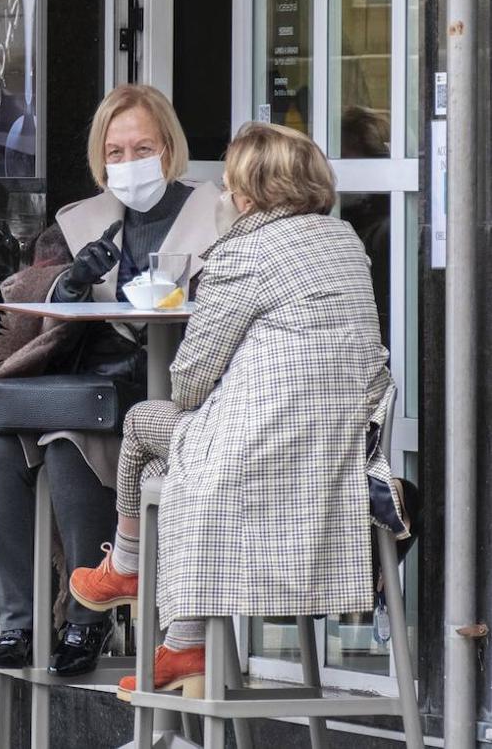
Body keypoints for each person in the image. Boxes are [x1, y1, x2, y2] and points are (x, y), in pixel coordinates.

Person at [68, 122, 396, 699]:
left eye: (229, 185)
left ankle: (125, 567)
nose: (224, 195)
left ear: (248, 192)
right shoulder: (346, 243)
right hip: (333, 460)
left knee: (146, 421)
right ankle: (182, 645)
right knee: (163, 475)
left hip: (257, 457)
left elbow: (189, 379)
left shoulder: (244, 252)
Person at [0, 84, 220, 676]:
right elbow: (32, 315)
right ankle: (16, 623)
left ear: (169, 148)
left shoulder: (216, 215)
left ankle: (84, 620)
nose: (129, 164)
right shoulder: (80, 224)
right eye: (116, 152)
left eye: (142, 148)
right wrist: (69, 283)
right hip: (86, 385)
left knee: (70, 446)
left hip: (167, 393)